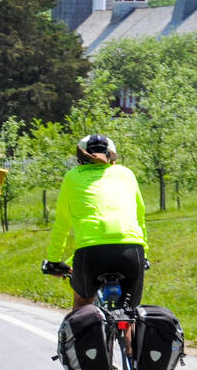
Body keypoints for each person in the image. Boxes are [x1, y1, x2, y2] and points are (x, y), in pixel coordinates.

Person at [43, 134, 148, 313]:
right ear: (111, 156)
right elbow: (140, 216)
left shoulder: (72, 177)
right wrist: (144, 254)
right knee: (129, 313)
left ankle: (85, 336)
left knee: (83, 304)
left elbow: (62, 223)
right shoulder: (126, 174)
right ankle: (130, 339)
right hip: (132, 251)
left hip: (91, 253)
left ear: (81, 158)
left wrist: (54, 261)